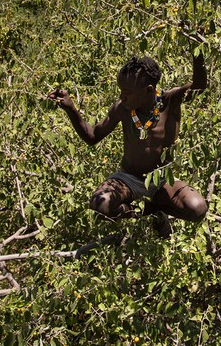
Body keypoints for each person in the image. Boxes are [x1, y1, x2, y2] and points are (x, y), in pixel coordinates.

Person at [48, 52, 209, 226]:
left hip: (161, 181)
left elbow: (199, 86)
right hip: (128, 179)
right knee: (99, 205)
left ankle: (158, 207)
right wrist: (71, 108)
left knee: (198, 208)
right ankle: (148, 211)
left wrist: (196, 48)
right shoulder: (122, 109)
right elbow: (92, 136)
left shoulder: (169, 101)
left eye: (127, 92)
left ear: (148, 90)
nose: (121, 97)